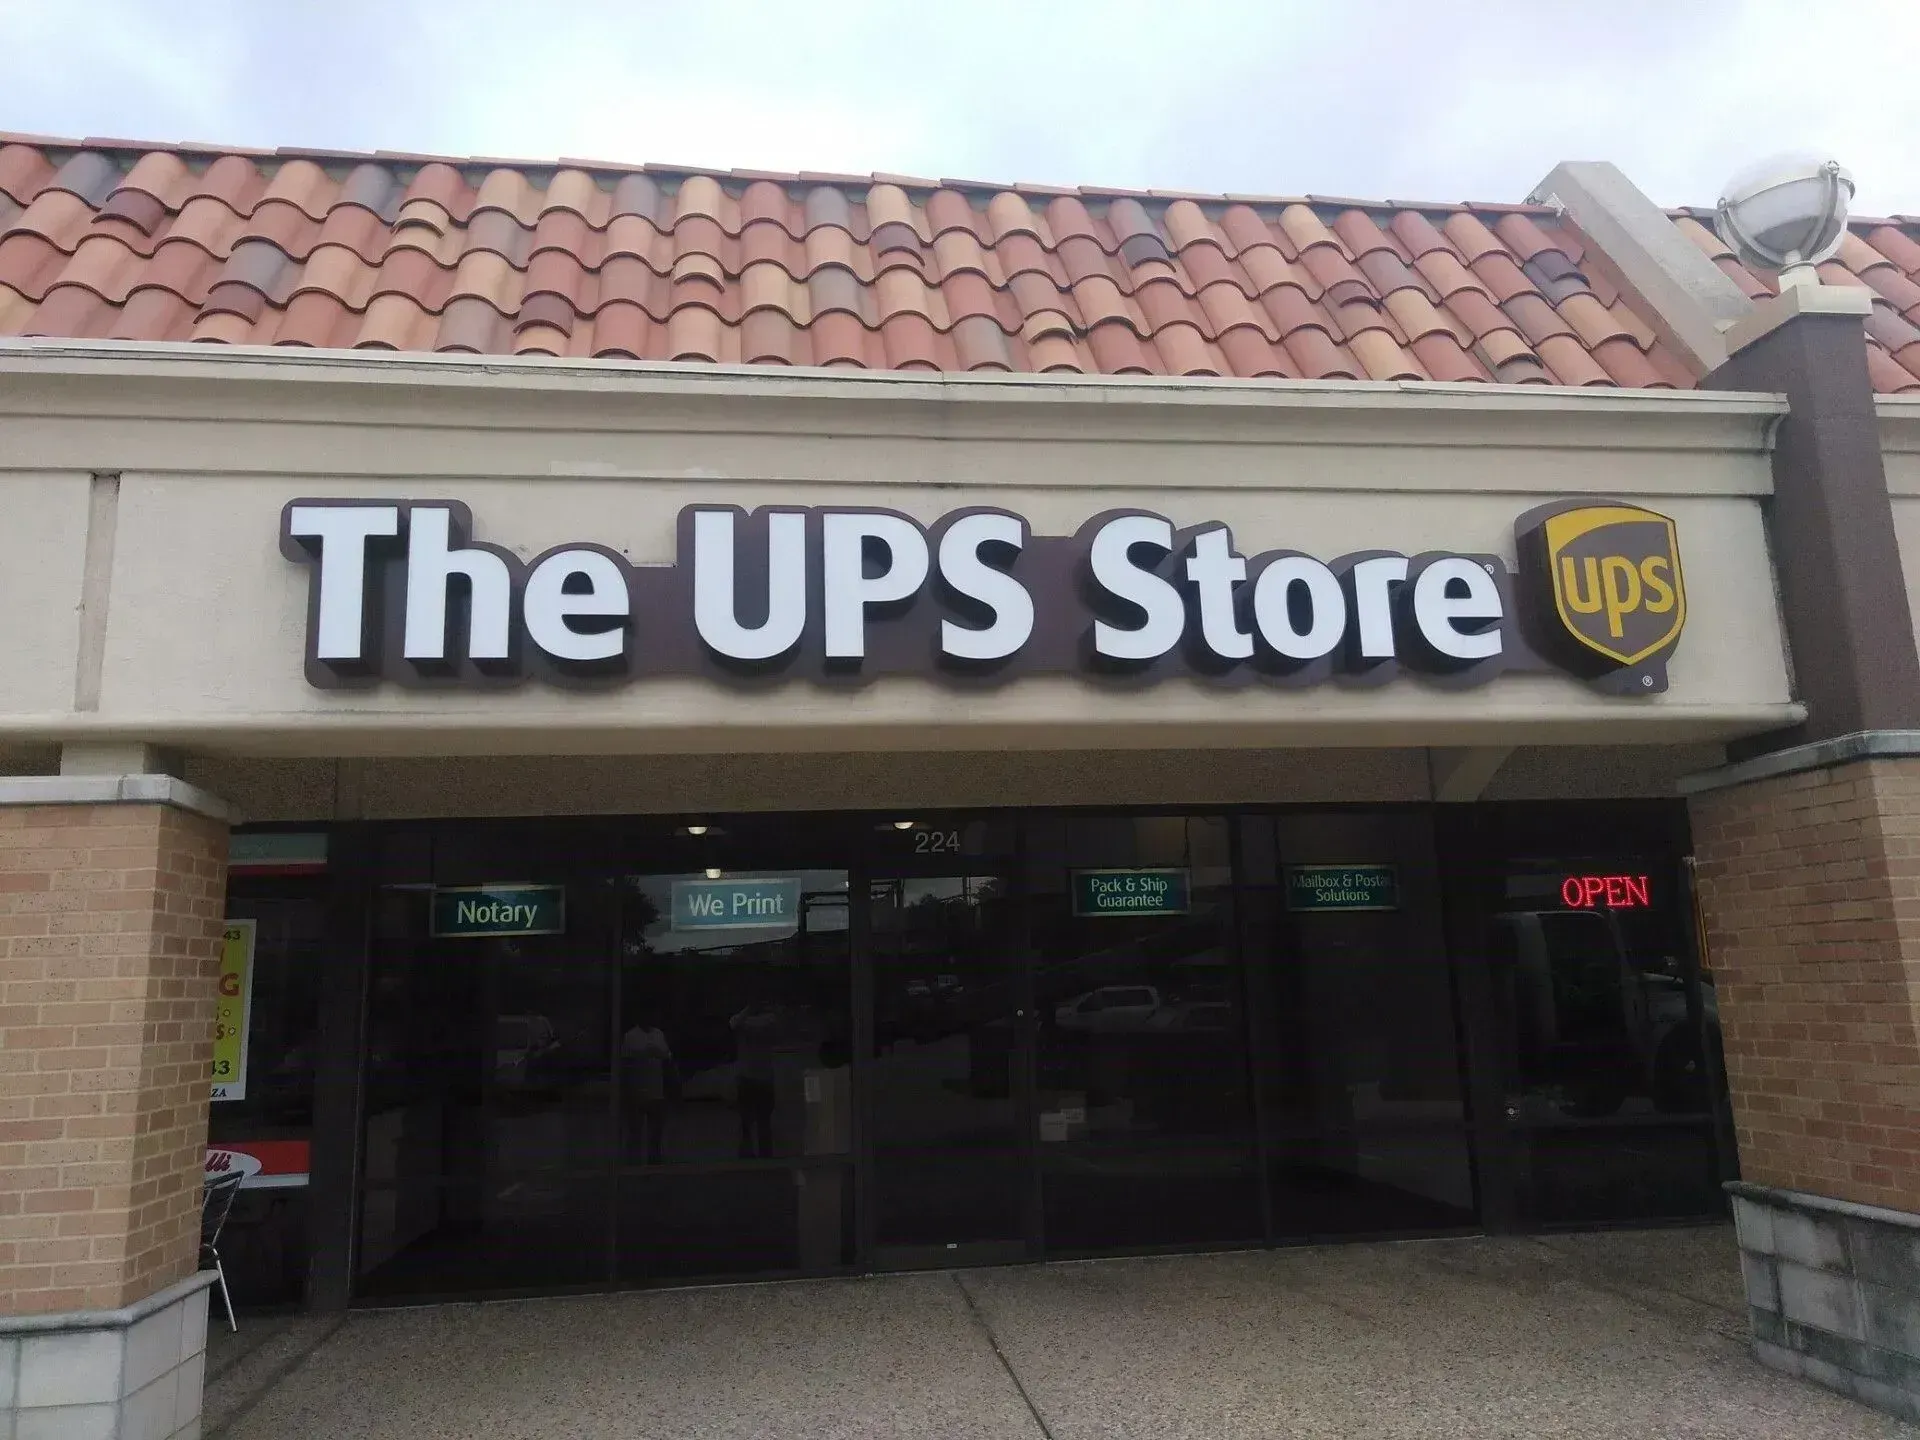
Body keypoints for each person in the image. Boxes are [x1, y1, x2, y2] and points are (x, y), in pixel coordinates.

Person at [730, 996, 781, 1159]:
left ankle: (763, 1154)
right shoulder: (746, 1019)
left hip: (759, 1078)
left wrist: (746, 1015)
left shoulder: (768, 1019)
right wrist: (748, 1011)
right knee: (749, 1121)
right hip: (750, 1078)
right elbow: (733, 1024)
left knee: (761, 1121)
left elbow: (736, 1024)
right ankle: (750, 1153)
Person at [620, 1012, 674, 1164]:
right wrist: (626, 1091)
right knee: (635, 1133)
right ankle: (632, 1164)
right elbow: (625, 1065)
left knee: (656, 1134)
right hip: (636, 1093)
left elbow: (668, 1060)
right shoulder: (630, 1036)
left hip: (657, 1092)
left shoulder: (659, 1034)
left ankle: (654, 1163)